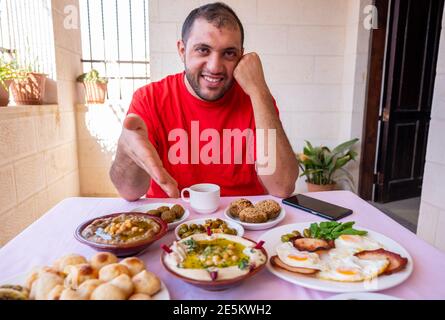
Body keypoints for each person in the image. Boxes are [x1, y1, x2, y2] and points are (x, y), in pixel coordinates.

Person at [110, 2, 298, 201]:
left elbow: (282, 187)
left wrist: (259, 90)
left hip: (244, 224)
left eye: (229, 53)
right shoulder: (149, 99)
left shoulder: (256, 99)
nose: (215, 67)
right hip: (174, 222)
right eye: (203, 50)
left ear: (241, 57)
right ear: (182, 50)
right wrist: (125, 150)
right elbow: (128, 192)